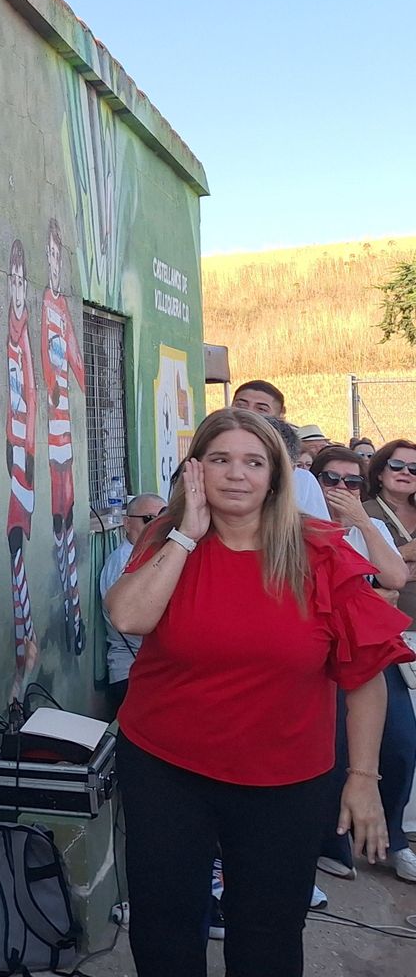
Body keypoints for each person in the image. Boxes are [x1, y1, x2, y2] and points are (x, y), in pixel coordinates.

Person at [105, 408, 413, 977]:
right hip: (166, 765)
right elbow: (128, 614)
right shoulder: (167, 536)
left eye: (254, 462)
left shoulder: (320, 550)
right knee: (164, 923)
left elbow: (366, 672)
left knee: (268, 931)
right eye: (220, 459)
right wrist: (186, 535)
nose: (237, 475)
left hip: (286, 777)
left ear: (276, 475)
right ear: (196, 470)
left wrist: (363, 779)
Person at [310, 446, 416, 884]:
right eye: (331, 480)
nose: (341, 489)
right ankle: (332, 842)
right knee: (332, 748)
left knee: (399, 743)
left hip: (370, 650)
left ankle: (393, 838)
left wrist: (359, 522)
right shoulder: (300, 524)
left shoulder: (367, 525)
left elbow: (394, 577)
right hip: (322, 655)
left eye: (352, 482)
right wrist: (373, 598)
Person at [40, 218, 87, 655]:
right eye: (50, 255)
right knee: (58, 510)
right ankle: (66, 593)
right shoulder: (43, 304)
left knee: (69, 508)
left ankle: (73, 602)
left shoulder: (64, 309)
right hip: (50, 424)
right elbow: (43, 352)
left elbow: (74, 353)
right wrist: (53, 383)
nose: (53, 263)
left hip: (66, 425)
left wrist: (88, 386)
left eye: (58, 256)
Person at [4, 238, 41, 703]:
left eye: (19, 280)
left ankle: (26, 640)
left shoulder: (24, 334)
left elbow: (30, 395)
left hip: (22, 454)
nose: (15, 287)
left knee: (15, 535)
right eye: (11, 279)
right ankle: (25, 640)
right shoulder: (8, 331)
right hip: (9, 447)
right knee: (11, 538)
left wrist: (24, 456)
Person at [98, 493, 167, 716]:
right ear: (127, 523)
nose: (156, 525)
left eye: (163, 517)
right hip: (132, 673)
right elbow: (131, 622)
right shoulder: (124, 563)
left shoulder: (152, 556)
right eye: (149, 518)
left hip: (151, 672)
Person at [364, 438, 416, 618]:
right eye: (396, 465)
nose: (406, 472)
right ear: (379, 473)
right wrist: (404, 554)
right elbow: (358, 568)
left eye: (414, 468)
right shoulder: (362, 513)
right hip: (387, 627)